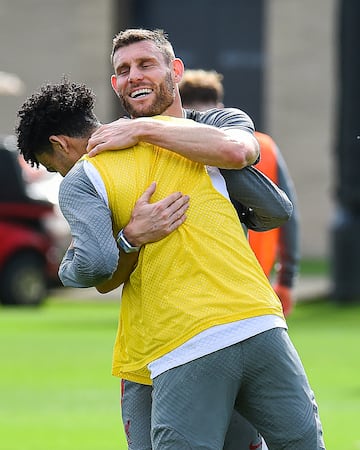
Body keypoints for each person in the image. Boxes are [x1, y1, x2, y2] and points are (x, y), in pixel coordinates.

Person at [16, 34, 325, 450]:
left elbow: (97, 268)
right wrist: (132, 237)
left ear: (175, 70)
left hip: (182, 341)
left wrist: (140, 133)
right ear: (113, 84)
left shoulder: (208, 134)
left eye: (145, 64)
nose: (134, 76)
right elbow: (277, 209)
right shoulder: (201, 146)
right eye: (124, 69)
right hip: (259, 323)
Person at [179, 69, 300, 318]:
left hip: (200, 283)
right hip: (257, 276)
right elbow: (290, 215)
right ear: (220, 107)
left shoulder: (173, 150)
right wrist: (286, 279)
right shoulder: (263, 145)